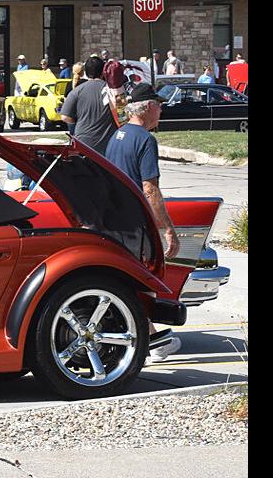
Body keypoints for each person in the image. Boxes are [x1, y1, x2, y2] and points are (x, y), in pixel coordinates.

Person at [104, 83, 181, 362]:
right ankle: (150, 339)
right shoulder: (146, 140)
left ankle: (144, 333)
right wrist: (168, 230)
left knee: (127, 279)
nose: (161, 111)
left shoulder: (118, 135)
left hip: (114, 220)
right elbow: (150, 188)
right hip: (134, 222)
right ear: (148, 107)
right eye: (159, 106)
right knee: (143, 279)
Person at [59, 56, 117, 155]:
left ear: (85, 73)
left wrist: (77, 120)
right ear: (103, 71)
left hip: (83, 144)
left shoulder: (76, 91)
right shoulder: (112, 91)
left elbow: (64, 117)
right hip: (108, 144)